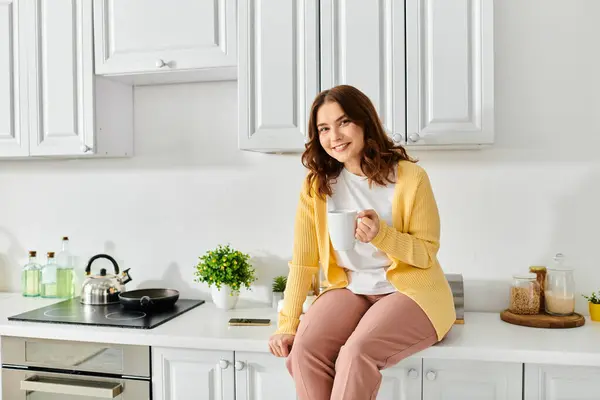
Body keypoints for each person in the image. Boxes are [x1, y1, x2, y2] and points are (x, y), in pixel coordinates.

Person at [268, 84, 456, 400]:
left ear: (364, 122)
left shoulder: (410, 177)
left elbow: (425, 253)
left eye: (343, 122)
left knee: (356, 353)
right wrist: (287, 324)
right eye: (323, 128)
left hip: (410, 291)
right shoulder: (318, 186)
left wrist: (381, 235)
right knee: (303, 351)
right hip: (351, 288)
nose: (334, 136)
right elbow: (303, 261)